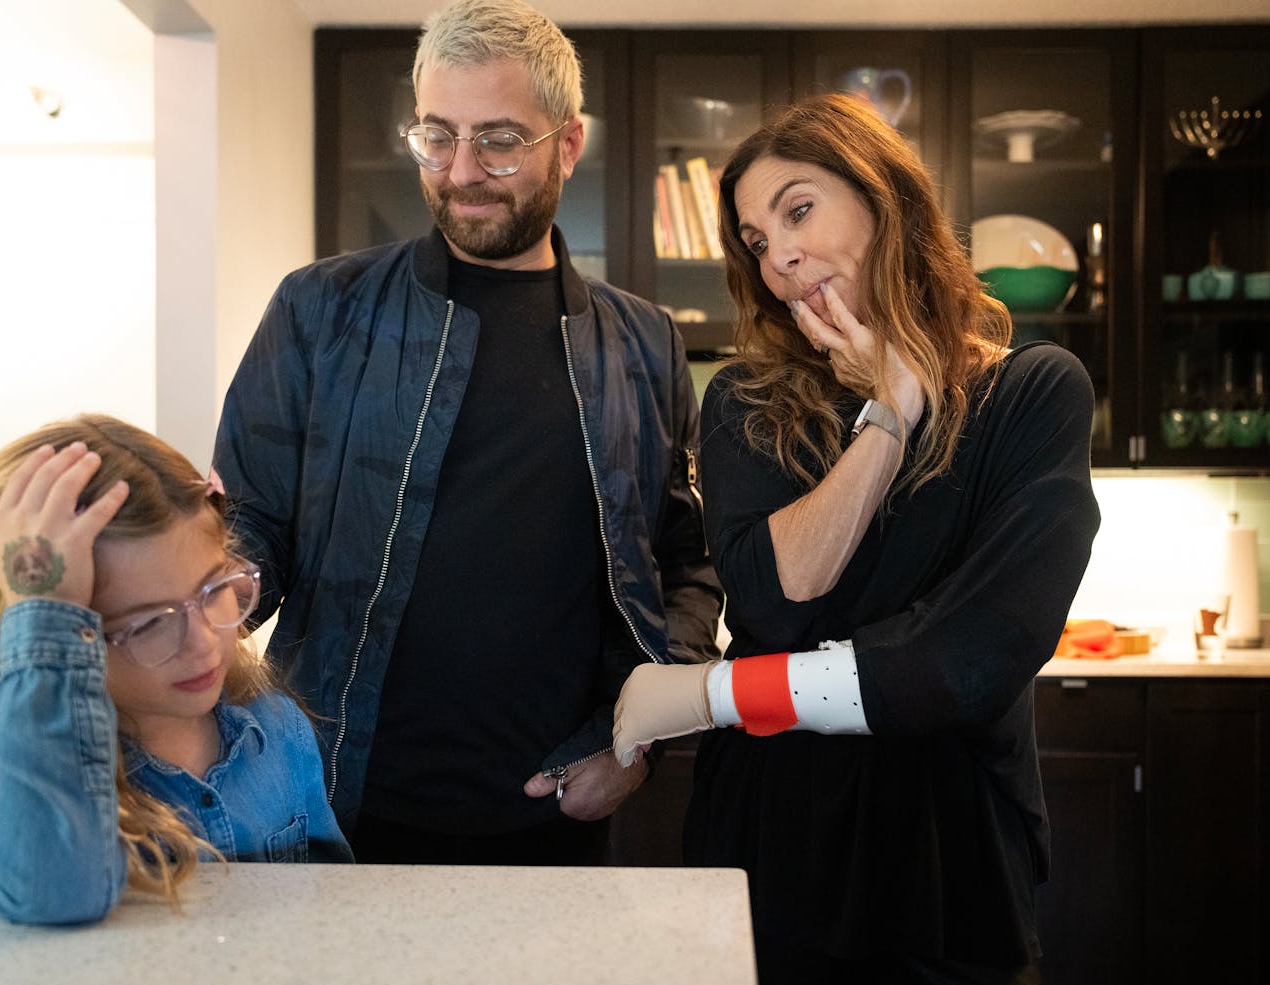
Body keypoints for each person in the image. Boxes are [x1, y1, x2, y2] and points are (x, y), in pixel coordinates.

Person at [212, 0, 721, 865]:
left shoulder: (643, 342)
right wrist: (198, 591)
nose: (460, 171)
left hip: (555, 818)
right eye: (436, 137)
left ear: (567, 144)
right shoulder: (319, 308)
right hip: (330, 808)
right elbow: (244, 526)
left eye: (498, 140)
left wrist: (635, 743)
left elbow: (684, 563)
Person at [612, 94, 1101, 984]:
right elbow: (775, 597)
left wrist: (715, 693)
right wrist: (890, 411)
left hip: (949, 844)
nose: (782, 255)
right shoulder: (745, 402)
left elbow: (966, 661)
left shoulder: (1033, 394)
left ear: (886, 200)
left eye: (798, 209)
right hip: (772, 830)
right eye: (757, 242)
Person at [0, 415, 352, 926]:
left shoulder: (279, 731)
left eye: (214, 591)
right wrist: (46, 612)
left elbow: (330, 904)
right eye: (147, 625)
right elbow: (53, 893)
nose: (203, 642)